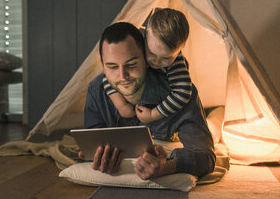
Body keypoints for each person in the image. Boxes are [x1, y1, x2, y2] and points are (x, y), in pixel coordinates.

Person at [84, 21, 215, 179]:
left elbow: (206, 157)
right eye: (112, 67)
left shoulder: (179, 93)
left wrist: (167, 166)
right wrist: (96, 157)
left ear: (147, 60)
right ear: (103, 65)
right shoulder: (96, 90)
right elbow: (90, 145)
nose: (122, 76)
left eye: (131, 64)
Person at [102, 8, 192, 124]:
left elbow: (183, 92)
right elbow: (107, 77)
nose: (156, 61)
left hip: (160, 110)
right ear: (145, 37)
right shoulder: (137, 50)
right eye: (151, 53)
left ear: (180, 50)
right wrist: (121, 105)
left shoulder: (177, 63)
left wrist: (153, 114)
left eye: (166, 58)